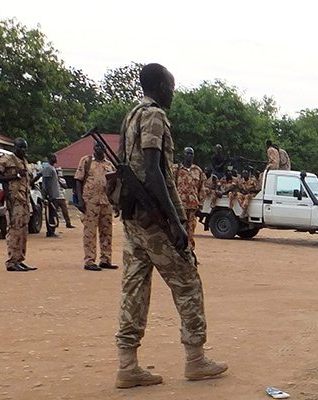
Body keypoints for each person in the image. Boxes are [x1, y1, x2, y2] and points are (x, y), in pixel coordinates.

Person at [115, 63, 227, 389]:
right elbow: (153, 171)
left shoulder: (130, 116)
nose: (173, 94)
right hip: (154, 218)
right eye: (171, 87)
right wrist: (175, 222)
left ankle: (127, 364)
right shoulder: (153, 116)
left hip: (133, 216)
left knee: (134, 287)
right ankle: (195, 359)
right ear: (160, 86)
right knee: (188, 281)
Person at [0, 138, 37, 272]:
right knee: (14, 230)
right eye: (20, 148)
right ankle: (12, 261)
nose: (23, 151)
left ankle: (20, 259)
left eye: (25, 148)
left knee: (23, 231)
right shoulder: (7, 160)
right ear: (15, 147)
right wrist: (14, 176)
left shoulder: (25, 162)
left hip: (24, 200)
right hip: (13, 200)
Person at [74, 142, 117, 271]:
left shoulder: (109, 165)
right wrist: (80, 200)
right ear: (93, 148)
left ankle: (105, 259)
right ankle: (89, 260)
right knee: (90, 232)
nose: (99, 149)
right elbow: (78, 180)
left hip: (106, 201)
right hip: (90, 201)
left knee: (107, 232)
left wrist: (115, 202)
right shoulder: (86, 161)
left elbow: (114, 184)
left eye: (101, 147)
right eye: (96, 146)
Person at [174, 147, 205, 250]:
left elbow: (201, 188)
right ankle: (179, 253)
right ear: (184, 154)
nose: (189, 156)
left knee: (190, 231)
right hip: (179, 205)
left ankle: (190, 253)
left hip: (192, 206)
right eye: (187, 153)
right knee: (178, 230)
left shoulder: (198, 171)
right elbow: (171, 186)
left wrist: (200, 205)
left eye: (191, 154)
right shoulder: (176, 169)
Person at [34, 154, 72, 237]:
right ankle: (50, 232)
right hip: (51, 196)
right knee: (51, 214)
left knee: (53, 213)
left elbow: (38, 175)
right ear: (49, 159)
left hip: (53, 195)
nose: (55, 159)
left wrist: (32, 182)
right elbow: (47, 182)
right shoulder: (48, 168)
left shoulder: (50, 168)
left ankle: (51, 231)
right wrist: (48, 195)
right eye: (53, 157)